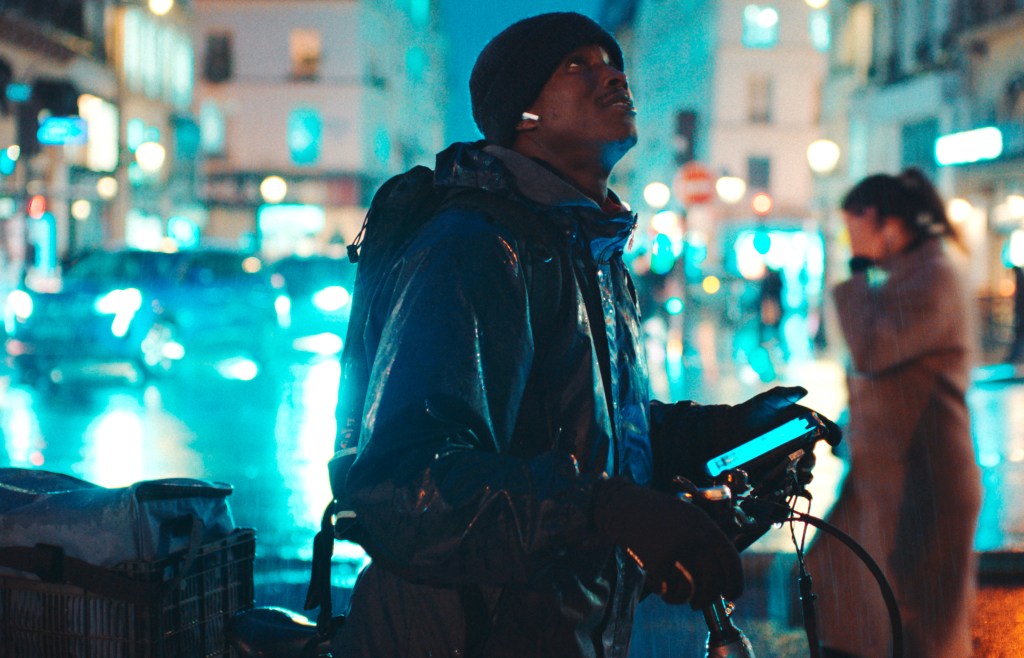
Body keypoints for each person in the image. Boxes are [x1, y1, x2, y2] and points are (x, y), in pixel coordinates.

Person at [330, 13, 829, 657]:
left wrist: (710, 436)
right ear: (523, 115)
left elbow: (574, 429)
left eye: (611, 61)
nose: (612, 74)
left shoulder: (583, 246)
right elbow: (406, 484)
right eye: (577, 66)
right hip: (462, 636)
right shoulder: (477, 247)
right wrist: (605, 509)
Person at [805, 169, 982, 658]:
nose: (849, 241)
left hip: (927, 482)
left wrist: (858, 275)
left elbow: (872, 350)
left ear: (881, 222)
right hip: (888, 480)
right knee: (842, 595)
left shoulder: (934, 278)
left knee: (924, 628)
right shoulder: (910, 277)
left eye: (852, 228)